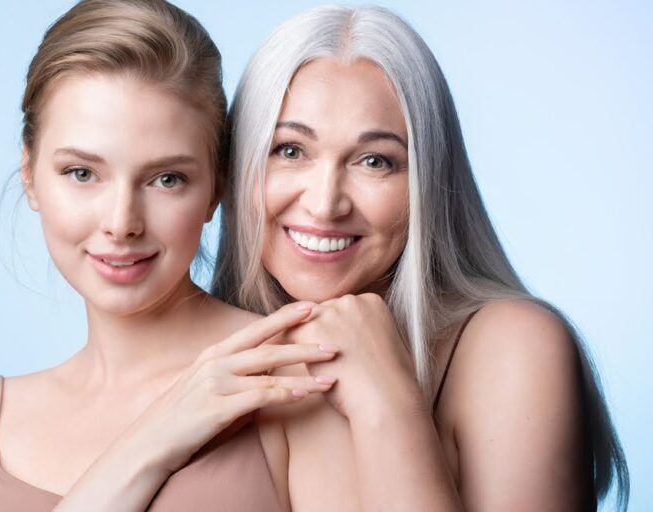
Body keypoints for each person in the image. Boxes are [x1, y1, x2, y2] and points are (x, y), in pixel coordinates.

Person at [0, 1, 340, 510]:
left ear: (215, 190)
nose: (122, 222)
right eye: (82, 173)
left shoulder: (290, 377)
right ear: (29, 175)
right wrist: (154, 440)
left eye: (167, 179)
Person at [213, 5, 630, 511]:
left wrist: (389, 403)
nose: (325, 203)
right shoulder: (204, 349)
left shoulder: (513, 347)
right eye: (290, 150)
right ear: (236, 167)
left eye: (375, 161)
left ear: (427, 183)